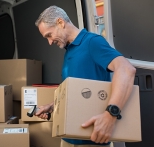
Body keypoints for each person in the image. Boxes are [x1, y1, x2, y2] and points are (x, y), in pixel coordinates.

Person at [34, 5, 136, 147]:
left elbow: (126, 69)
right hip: (68, 138)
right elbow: (78, 93)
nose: (49, 42)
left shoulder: (92, 42)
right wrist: (52, 106)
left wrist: (110, 115)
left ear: (60, 23)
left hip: (92, 139)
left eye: (49, 35)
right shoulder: (69, 50)